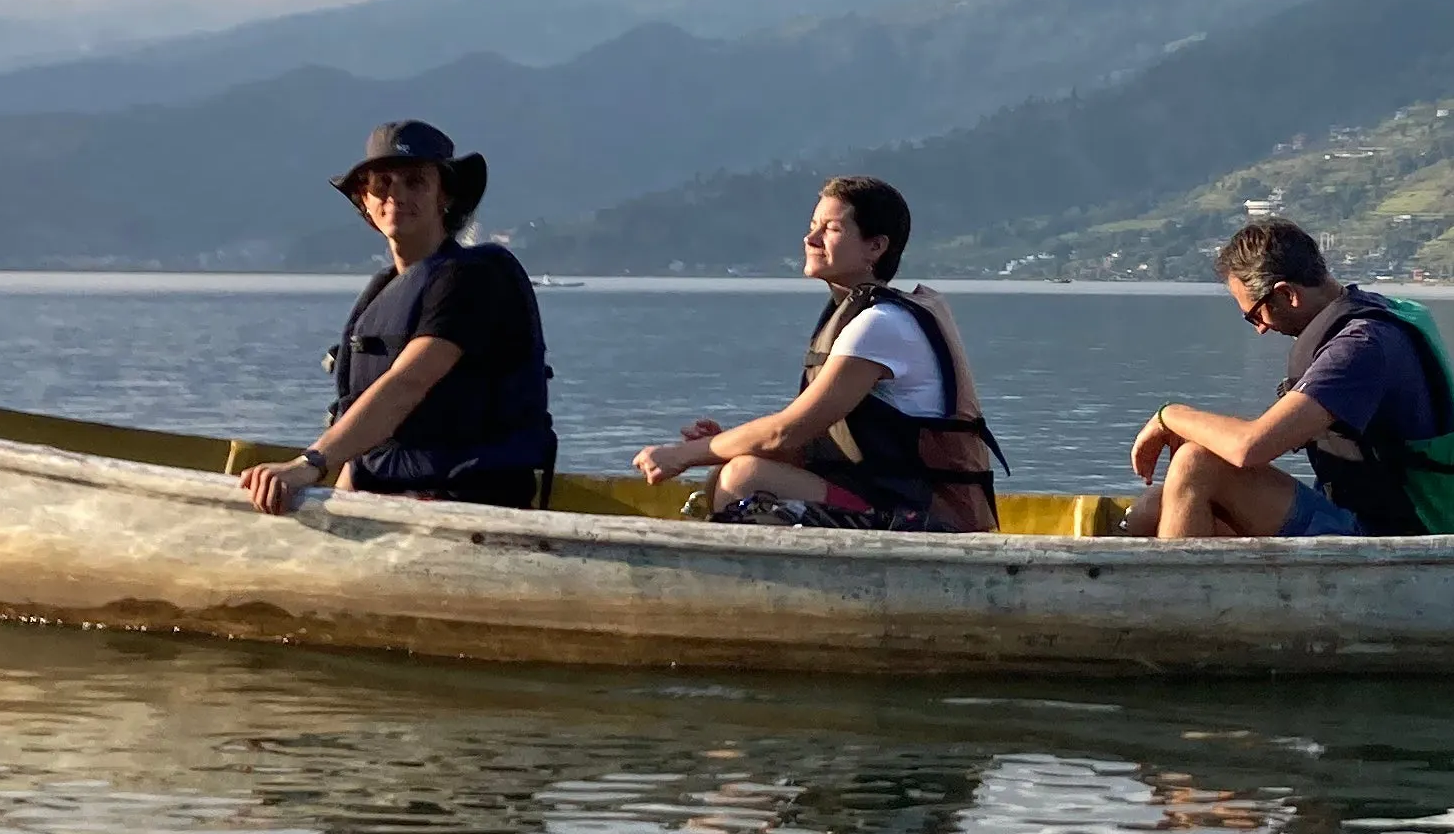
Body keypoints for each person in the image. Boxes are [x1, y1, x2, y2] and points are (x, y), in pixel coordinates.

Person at [632, 176, 1004, 528]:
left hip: (930, 521)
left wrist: (682, 455)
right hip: (895, 501)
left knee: (745, 478)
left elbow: (785, 432)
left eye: (832, 229)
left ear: (876, 246)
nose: (811, 238)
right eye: (813, 224)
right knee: (738, 469)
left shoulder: (882, 326)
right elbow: (808, 441)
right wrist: (721, 444)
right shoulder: (865, 317)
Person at [238, 119, 559, 512]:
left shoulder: (473, 279)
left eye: (415, 182)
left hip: (468, 503)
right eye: (383, 183)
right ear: (365, 201)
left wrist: (310, 464)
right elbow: (369, 446)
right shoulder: (383, 292)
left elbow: (409, 381)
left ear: (445, 195)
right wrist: (335, 503)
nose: (396, 195)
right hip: (389, 499)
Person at [1122, 219, 1454, 540]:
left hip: (1398, 538)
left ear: (1287, 294)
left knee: (1196, 464)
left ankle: (1182, 611)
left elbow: (1250, 447)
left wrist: (1168, 415)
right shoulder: (1376, 316)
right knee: (1152, 510)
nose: (1260, 329)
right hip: (1365, 515)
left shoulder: (1361, 347)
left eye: (1255, 315)